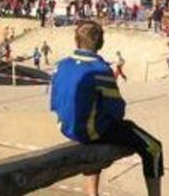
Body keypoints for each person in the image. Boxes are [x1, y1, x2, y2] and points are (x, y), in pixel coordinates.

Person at [51, 21, 163, 196]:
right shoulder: (101, 70)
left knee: (92, 118)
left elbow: (54, 103)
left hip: (65, 127)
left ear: (76, 41)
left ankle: (92, 193)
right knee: (154, 148)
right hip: (89, 132)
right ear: (100, 43)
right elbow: (117, 111)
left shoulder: (60, 65)